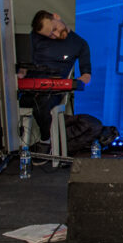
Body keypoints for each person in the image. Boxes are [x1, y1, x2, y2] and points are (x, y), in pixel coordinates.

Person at [21, 11, 91, 151]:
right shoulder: (35, 37)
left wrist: (75, 82)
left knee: (42, 105)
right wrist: (20, 74)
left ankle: (45, 141)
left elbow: (86, 76)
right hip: (29, 90)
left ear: (56, 16)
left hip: (53, 92)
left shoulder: (80, 44)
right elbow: (23, 66)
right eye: (50, 35)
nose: (55, 35)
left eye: (54, 29)